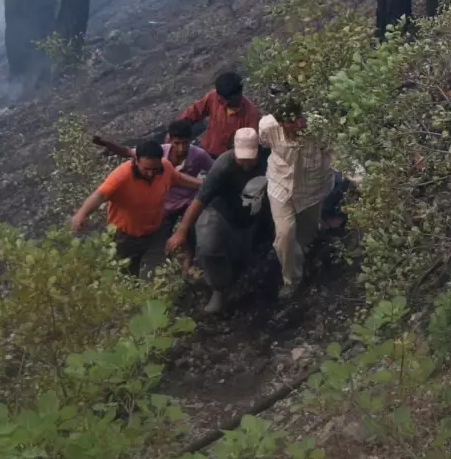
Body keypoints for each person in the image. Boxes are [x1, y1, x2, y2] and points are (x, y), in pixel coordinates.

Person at [168, 128, 270, 315]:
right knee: (209, 246)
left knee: (248, 254)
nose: (246, 164)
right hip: (220, 212)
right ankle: (219, 290)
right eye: (242, 159)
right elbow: (200, 199)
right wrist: (182, 230)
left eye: (251, 158)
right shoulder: (224, 165)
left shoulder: (268, 157)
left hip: (253, 209)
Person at [70, 140, 203, 277]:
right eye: (146, 169)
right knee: (127, 276)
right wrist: (81, 214)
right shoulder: (121, 176)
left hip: (155, 232)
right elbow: (99, 195)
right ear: (136, 160)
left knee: (153, 275)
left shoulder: (165, 167)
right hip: (125, 237)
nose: (151, 173)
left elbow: (179, 178)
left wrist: (205, 184)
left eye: (154, 169)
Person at [90, 119, 214, 256]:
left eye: (185, 143)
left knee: (190, 230)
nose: (181, 148)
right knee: (162, 236)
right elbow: (127, 152)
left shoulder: (199, 155)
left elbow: (215, 172)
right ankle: (166, 260)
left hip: (187, 201)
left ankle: (188, 263)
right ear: (170, 139)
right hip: (165, 202)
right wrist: (107, 144)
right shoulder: (158, 154)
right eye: (177, 143)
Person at [259, 97, 333, 300]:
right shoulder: (267, 128)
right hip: (281, 186)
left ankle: (303, 255)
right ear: (280, 122)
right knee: (284, 234)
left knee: (305, 235)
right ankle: (292, 280)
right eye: (291, 121)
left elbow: (338, 155)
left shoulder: (319, 128)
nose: (299, 124)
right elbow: (264, 144)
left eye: (300, 117)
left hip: (312, 189)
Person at [178, 71, 261, 159]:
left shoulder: (251, 114)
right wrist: (179, 129)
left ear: (238, 95)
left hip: (227, 158)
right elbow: (194, 112)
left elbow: (249, 147)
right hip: (205, 149)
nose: (222, 103)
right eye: (220, 99)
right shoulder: (213, 97)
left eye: (226, 100)